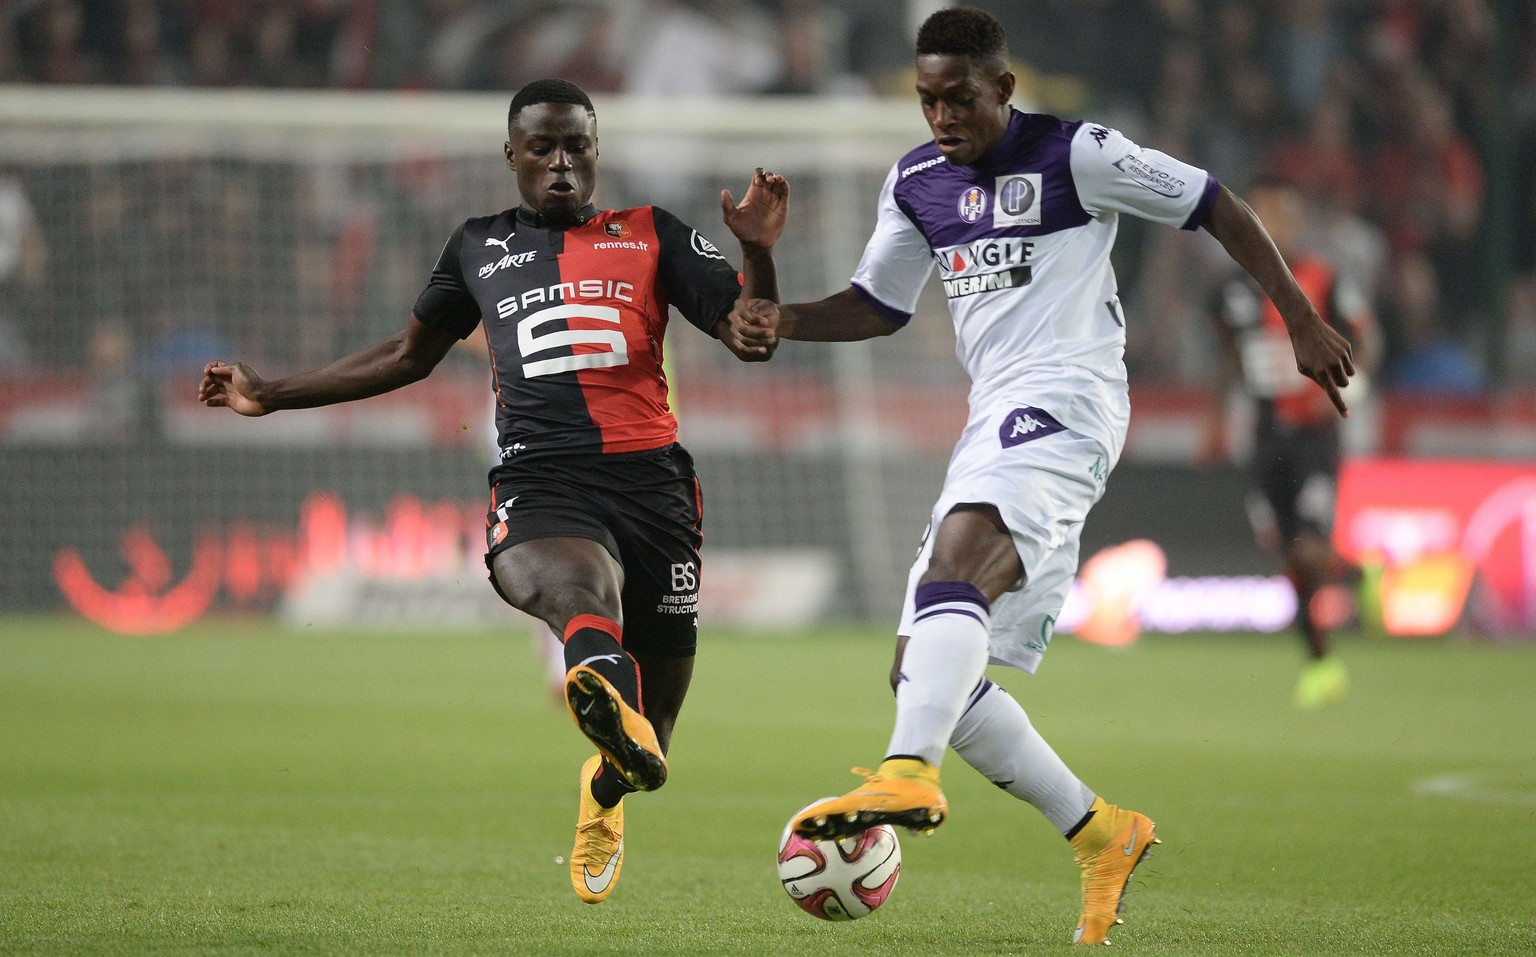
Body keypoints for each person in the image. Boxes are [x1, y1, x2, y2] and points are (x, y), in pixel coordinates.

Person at [723, 8, 1354, 946]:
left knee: (956, 567)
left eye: (959, 97)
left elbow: (1215, 201)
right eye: (928, 98)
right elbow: (875, 307)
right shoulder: (916, 183)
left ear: (1004, 89)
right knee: (929, 666)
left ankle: (907, 767)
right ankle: (1104, 833)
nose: (941, 115)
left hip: (1072, 396)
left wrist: (1298, 317)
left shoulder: (1078, 154)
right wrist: (764, 278)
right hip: (999, 414)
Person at [199, 78, 788, 905]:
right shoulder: (476, 246)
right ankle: (595, 675)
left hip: (652, 485)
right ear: (510, 155)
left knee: (652, 748)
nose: (559, 163)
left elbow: (750, 335)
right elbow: (407, 356)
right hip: (541, 477)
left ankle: (607, 776)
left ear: (597, 153)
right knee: (577, 590)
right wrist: (272, 392)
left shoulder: (654, 234)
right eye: (541, 147)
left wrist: (758, 252)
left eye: (575, 146)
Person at [1204, 174, 1378, 709]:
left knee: (1305, 550)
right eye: (1264, 215)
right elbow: (1230, 356)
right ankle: (1338, 618)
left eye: (1283, 214)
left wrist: (1350, 386)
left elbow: (1363, 339)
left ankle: (1323, 653)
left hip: (1313, 437)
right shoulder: (1231, 291)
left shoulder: (1323, 279)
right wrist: (1216, 420)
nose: (1274, 225)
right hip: (1263, 437)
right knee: (1287, 554)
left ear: (1298, 221)